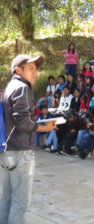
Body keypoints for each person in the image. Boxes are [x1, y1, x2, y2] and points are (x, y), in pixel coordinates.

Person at [0, 54, 56, 224]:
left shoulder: (10, 86)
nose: (36, 73)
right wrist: (44, 127)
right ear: (18, 70)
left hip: (7, 151)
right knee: (20, 203)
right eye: (31, 68)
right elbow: (23, 121)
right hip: (21, 152)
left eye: (36, 69)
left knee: (7, 199)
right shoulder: (22, 88)